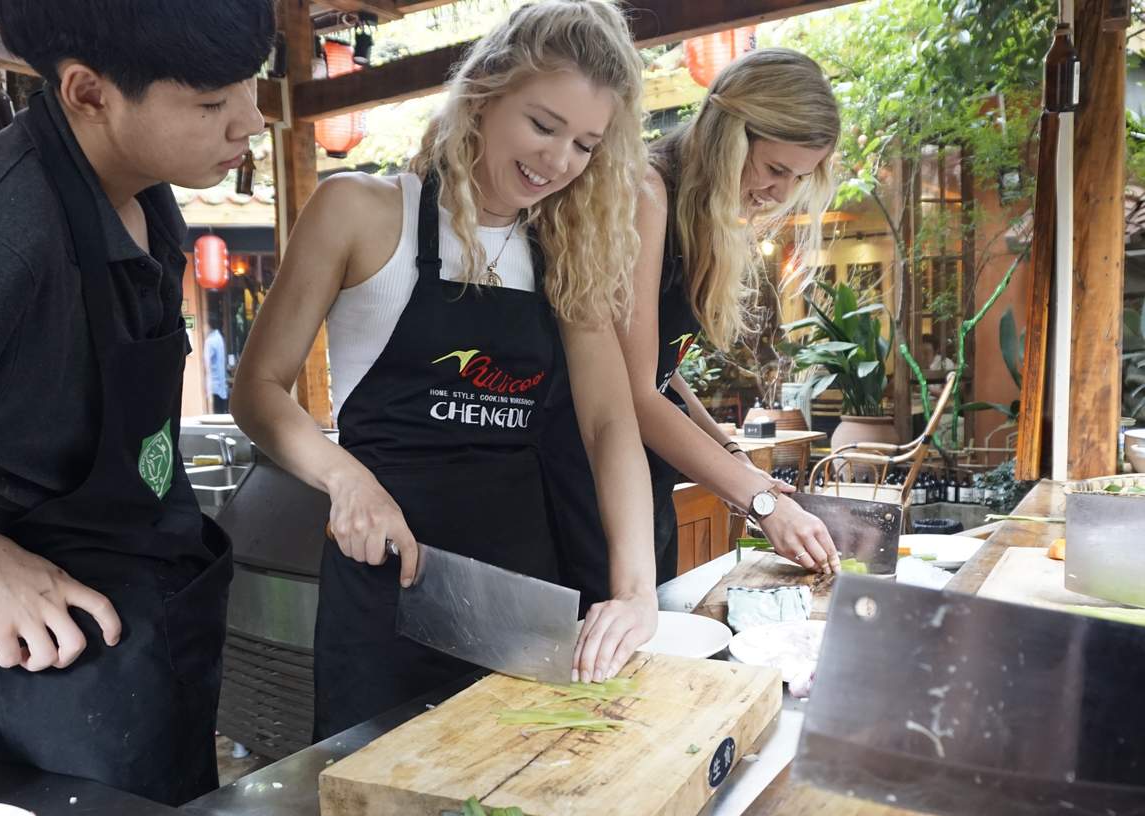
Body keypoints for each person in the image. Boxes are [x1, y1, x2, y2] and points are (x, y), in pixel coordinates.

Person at [0, 0, 273, 804]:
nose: (249, 120)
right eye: (212, 102)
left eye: (250, 86)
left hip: (155, 628)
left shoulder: (145, 190)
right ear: (88, 92)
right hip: (53, 672)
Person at [232, 0, 658, 740]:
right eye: (542, 124)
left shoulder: (565, 249)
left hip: (522, 592)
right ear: (485, 93)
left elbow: (609, 421)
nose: (558, 161)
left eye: (586, 144)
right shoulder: (358, 211)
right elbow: (257, 390)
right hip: (386, 583)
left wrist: (635, 591)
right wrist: (345, 479)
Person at [541, 48, 843, 610]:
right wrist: (760, 501)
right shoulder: (647, 193)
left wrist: (733, 455)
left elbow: (660, 372)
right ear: (730, 132)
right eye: (775, 168)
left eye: (798, 177)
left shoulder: (699, 212)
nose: (780, 193)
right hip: (583, 472)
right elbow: (630, 394)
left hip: (642, 476)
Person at [205, 307, 229, 413]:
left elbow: (207, 365)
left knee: (215, 413)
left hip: (214, 384)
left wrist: (207, 386)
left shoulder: (210, 341)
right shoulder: (220, 338)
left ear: (209, 325)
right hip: (221, 383)